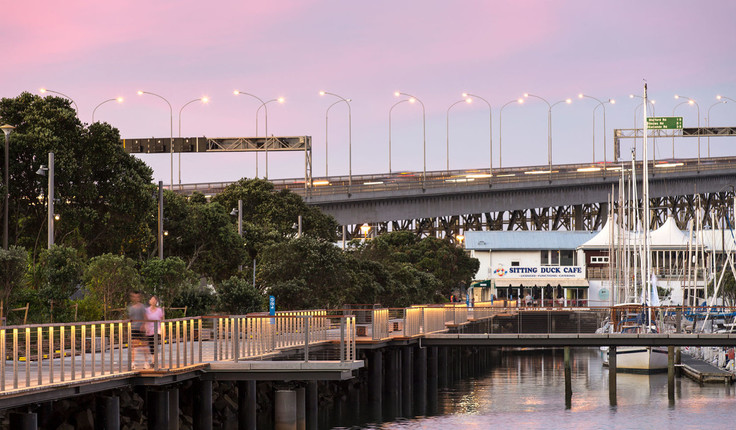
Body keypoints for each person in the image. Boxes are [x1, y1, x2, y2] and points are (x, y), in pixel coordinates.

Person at [127, 291, 147, 369]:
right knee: (133, 346)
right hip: (134, 328)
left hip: (141, 329)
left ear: (139, 298)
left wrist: (143, 325)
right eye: (134, 297)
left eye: (137, 297)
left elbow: (145, 317)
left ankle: (146, 362)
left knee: (144, 345)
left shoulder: (142, 307)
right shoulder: (131, 308)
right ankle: (133, 362)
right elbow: (130, 318)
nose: (135, 298)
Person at [145, 295, 165, 368]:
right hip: (149, 331)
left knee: (155, 345)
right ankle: (153, 360)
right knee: (151, 346)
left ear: (156, 301)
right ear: (149, 301)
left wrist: (163, 330)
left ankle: (154, 361)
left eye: (154, 300)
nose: (153, 301)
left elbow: (162, 320)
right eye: (152, 299)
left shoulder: (159, 310)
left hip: (157, 330)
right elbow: (145, 319)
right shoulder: (146, 310)